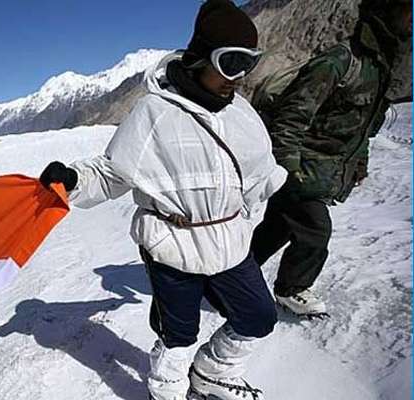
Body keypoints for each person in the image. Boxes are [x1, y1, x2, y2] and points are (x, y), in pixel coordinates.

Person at [40, 1, 285, 398]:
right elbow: (111, 171)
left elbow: (258, 166)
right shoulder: (154, 112)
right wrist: (71, 179)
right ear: (200, 57)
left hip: (230, 240)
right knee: (179, 334)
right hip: (173, 244)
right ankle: (166, 390)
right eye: (230, 63)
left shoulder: (240, 111)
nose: (237, 78)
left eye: (248, 64)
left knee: (258, 316)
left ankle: (213, 372)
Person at [249, 0, 412, 318]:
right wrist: (288, 165)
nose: (412, 21)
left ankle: (230, 277)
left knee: (278, 227)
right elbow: (292, 115)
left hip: (324, 168)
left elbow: (363, 128)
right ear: (385, 15)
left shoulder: (380, 68)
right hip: (301, 165)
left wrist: (360, 162)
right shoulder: (339, 61)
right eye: (407, 12)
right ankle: (290, 289)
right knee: (315, 228)